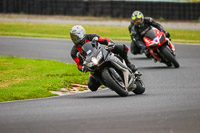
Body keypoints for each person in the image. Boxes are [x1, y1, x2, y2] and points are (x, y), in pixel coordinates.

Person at [70, 25, 138, 91]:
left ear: (82, 33)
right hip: (93, 65)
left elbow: (104, 40)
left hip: (102, 54)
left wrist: (109, 43)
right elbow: (78, 63)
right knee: (91, 86)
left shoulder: (91, 36)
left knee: (121, 48)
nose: (76, 39)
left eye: (77, 36)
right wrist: (82, 68)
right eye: (73, 37)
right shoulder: (74, 52)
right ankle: (107, 81)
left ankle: (129, 65)